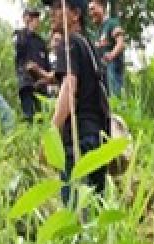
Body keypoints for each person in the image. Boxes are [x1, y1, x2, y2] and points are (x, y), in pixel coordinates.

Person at [49, 0, 109, 202]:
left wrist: (52, 133)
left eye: (58, 7)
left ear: (75, 14)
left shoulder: (69, 42)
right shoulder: (88, 45)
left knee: (73, 213)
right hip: (97, 135)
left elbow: (69, 87)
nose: (52, 12)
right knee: (95, 209)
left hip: (78, 138)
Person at [14, 7, 51, 122]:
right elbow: (19, 50)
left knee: (42, 118)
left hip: (41, 84)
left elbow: (47, 64)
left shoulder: (41, 41)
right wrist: (28, 30)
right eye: (31, 17)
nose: (34, 20)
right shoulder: (19, 35)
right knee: (29, 117)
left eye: (36, 17)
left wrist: (45, 79)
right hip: (27, 82)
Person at [87, 0, 124, 97]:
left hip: (112, 66)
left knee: (115, 96)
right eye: (89, 10)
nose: (91, 13)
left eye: (92, 9)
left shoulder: (112, 23)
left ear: (102, 7)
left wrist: (111, 55)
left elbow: (120, 44)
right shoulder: (98, 31)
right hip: (102, 70)